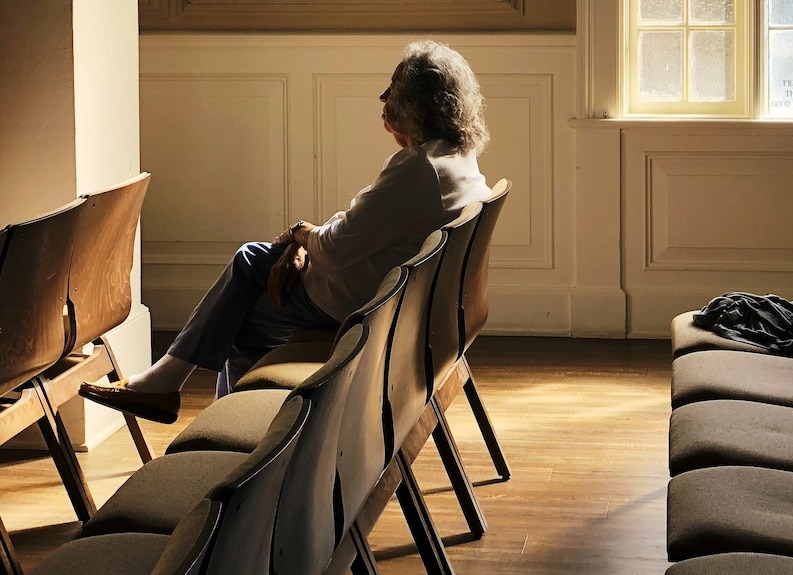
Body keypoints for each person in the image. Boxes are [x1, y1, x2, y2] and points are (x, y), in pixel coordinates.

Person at [79, 39, 493, 424]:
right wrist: (300, 243)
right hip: (395, 308)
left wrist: (302, 235)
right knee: (252, 260)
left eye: (392, 90)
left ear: (414, 105)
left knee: (235, 316)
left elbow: (336, 248)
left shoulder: (418, 170)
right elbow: (363, 227)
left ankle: (227, 435)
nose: (383, 100)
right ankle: (173, 389)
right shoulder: (458, 161)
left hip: (353, 311)